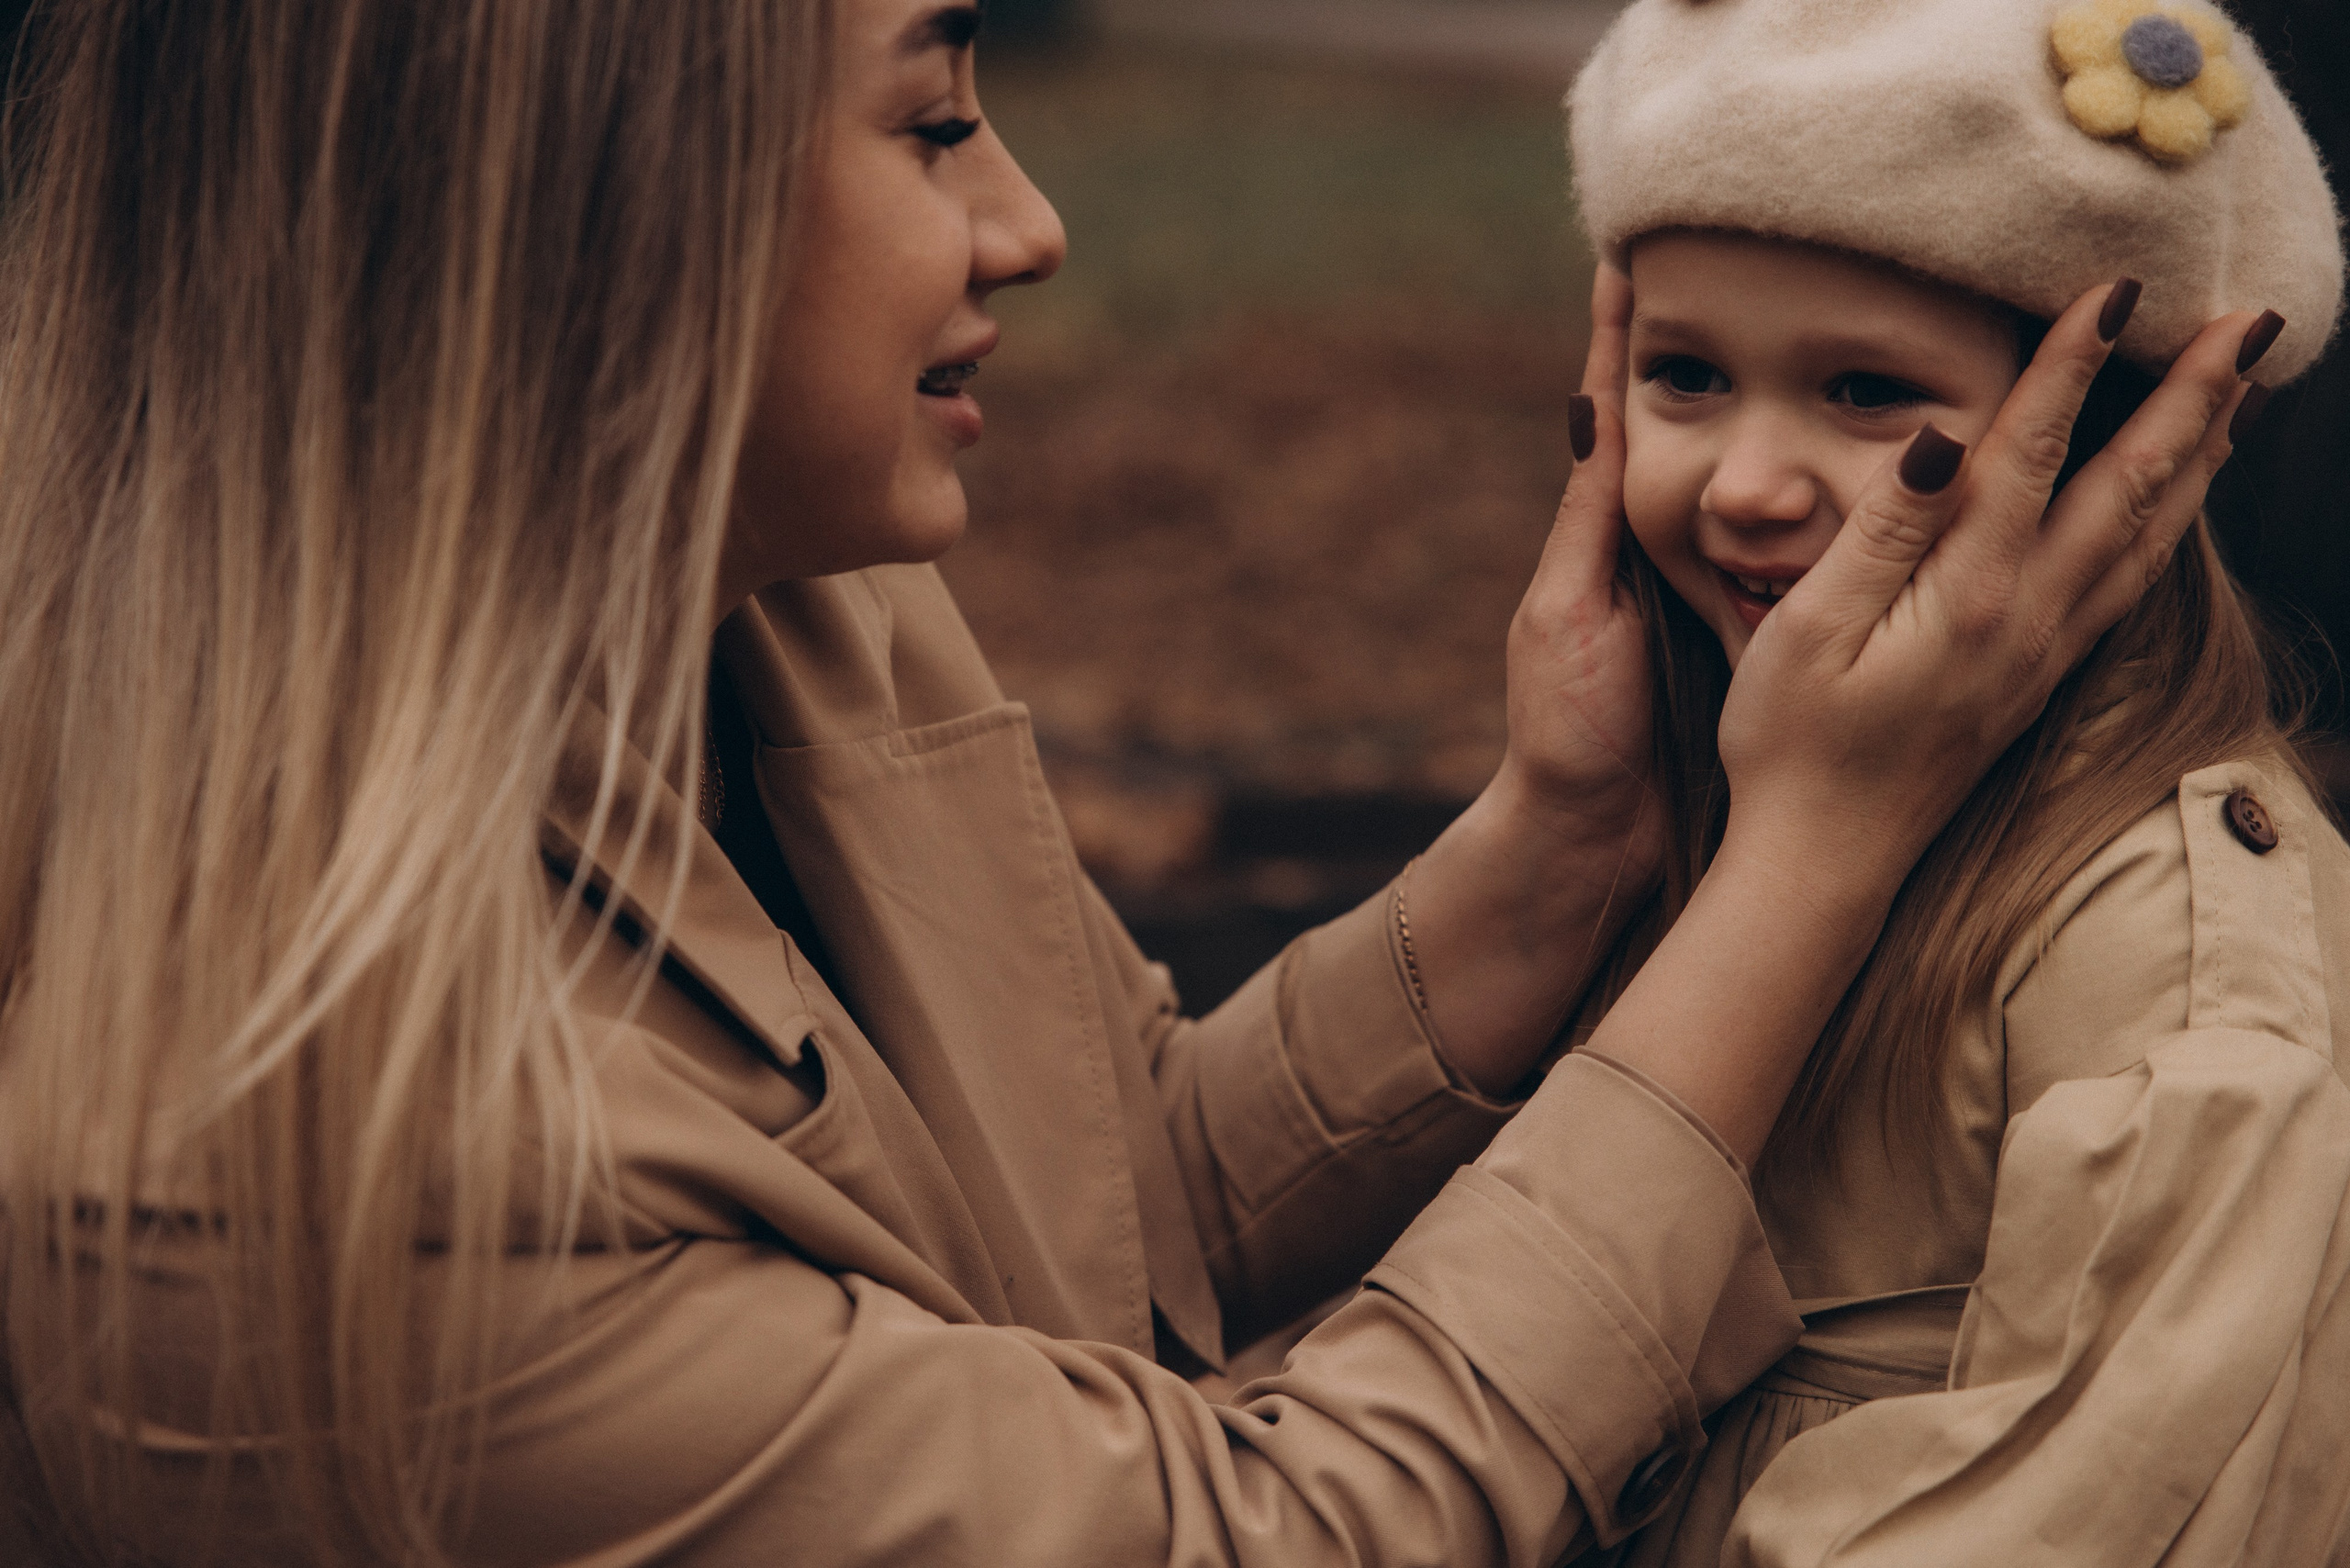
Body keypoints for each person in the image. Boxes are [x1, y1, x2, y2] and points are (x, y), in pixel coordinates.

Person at [0, 1, 2264, 1563]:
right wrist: (1808, 867)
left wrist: (1553, 852)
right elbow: (1249, 1526)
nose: (1026, 222)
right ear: (588, 228)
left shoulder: (786, 588)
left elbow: (1071, 1221)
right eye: (929, 117)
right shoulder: (275, 1143)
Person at [1556, 0, 2350, 1562]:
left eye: (1866, 394)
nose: (1750, 484)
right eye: (1686, 376)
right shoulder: (1686, 794)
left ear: (2120, 447)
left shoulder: (2168, 955)